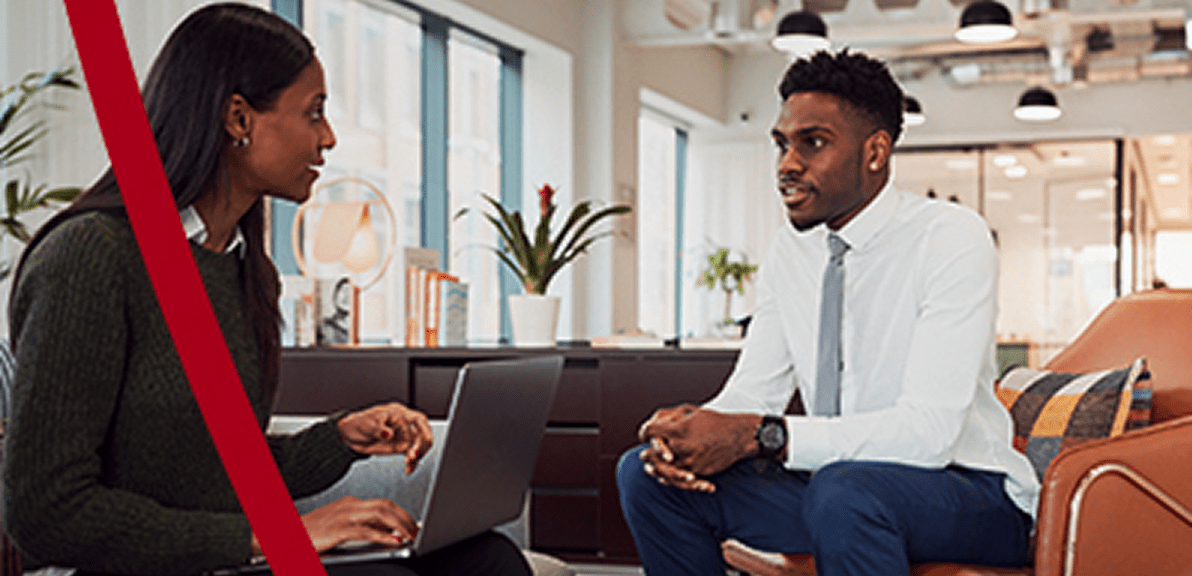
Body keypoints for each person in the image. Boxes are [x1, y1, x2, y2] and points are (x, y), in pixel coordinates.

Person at [1, 4, 530, 576]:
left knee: (488, 558)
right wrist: (268, 536)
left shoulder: (244, 270)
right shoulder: (91, 257)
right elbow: (44, 511)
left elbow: (219, 467)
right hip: (149, 567)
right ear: (238, 119)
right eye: (314, 113)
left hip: (226, 558)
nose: (328, 139)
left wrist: (341, 439)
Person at [617, 49, 1039, 576]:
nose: (788, 165)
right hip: (837, 488)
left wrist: (761, 434)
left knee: (846, 491)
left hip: (969, 494)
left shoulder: (950, 237)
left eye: (812, 143)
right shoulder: (792, 252)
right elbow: (753, 393)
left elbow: (929, 432)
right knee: (644, 475)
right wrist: (691, 432)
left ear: (876, 152)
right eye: (781, 144)